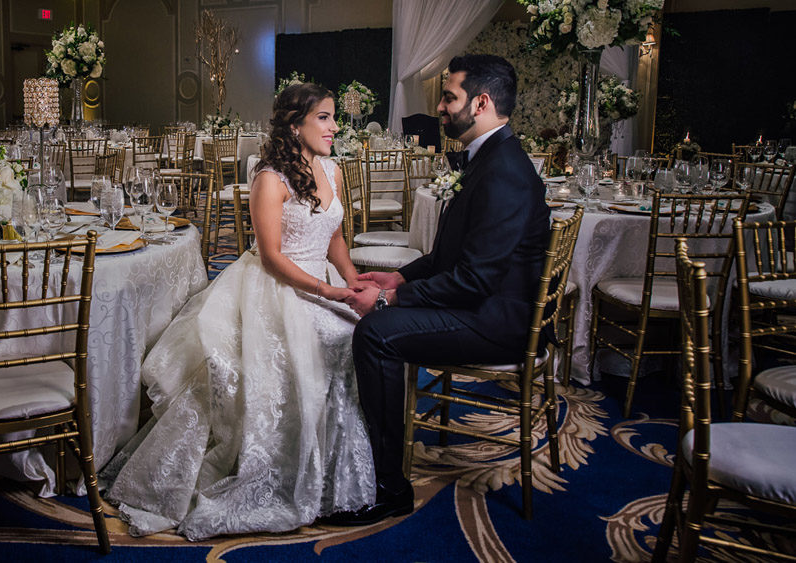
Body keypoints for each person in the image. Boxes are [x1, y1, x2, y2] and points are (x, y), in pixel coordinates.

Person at [99, 83, 377, 540]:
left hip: (323, 277)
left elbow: (335, 238)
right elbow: (272, 257)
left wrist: (352, 281)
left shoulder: (334, 170)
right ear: (295, 125)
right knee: (300, 349)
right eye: (324, 118)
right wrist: (329, 292)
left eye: (333, 118)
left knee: (357, 337)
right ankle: (273, 465)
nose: (334, 127)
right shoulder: (270, 178)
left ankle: (331, 468)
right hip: (278, 284)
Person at [331, 54, 551, 526]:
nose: (441, 107)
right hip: (484, 302)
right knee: (381, 322)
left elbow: (475, 280)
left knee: (376, 334)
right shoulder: (488, 158)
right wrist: (401, 277)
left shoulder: (506, 171)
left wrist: (388, 300)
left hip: (495, 319)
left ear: (483, 102)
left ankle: (388, 489)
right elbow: (452, 255)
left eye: (450, 97)